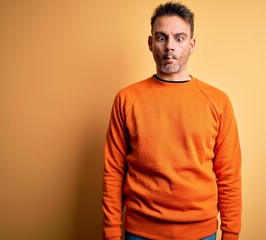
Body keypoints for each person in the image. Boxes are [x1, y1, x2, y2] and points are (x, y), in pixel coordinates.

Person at [102, 2, 241, 240]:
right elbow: (113, 171)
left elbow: (229, 174)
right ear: (150, 43)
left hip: (201, 232)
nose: (169, 47)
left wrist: (231, 234)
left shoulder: (218, 102)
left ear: (192, 44)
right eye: (161, 37)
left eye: (179, 38)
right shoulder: (127, 99)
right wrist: (112, 233)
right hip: (140, 231)